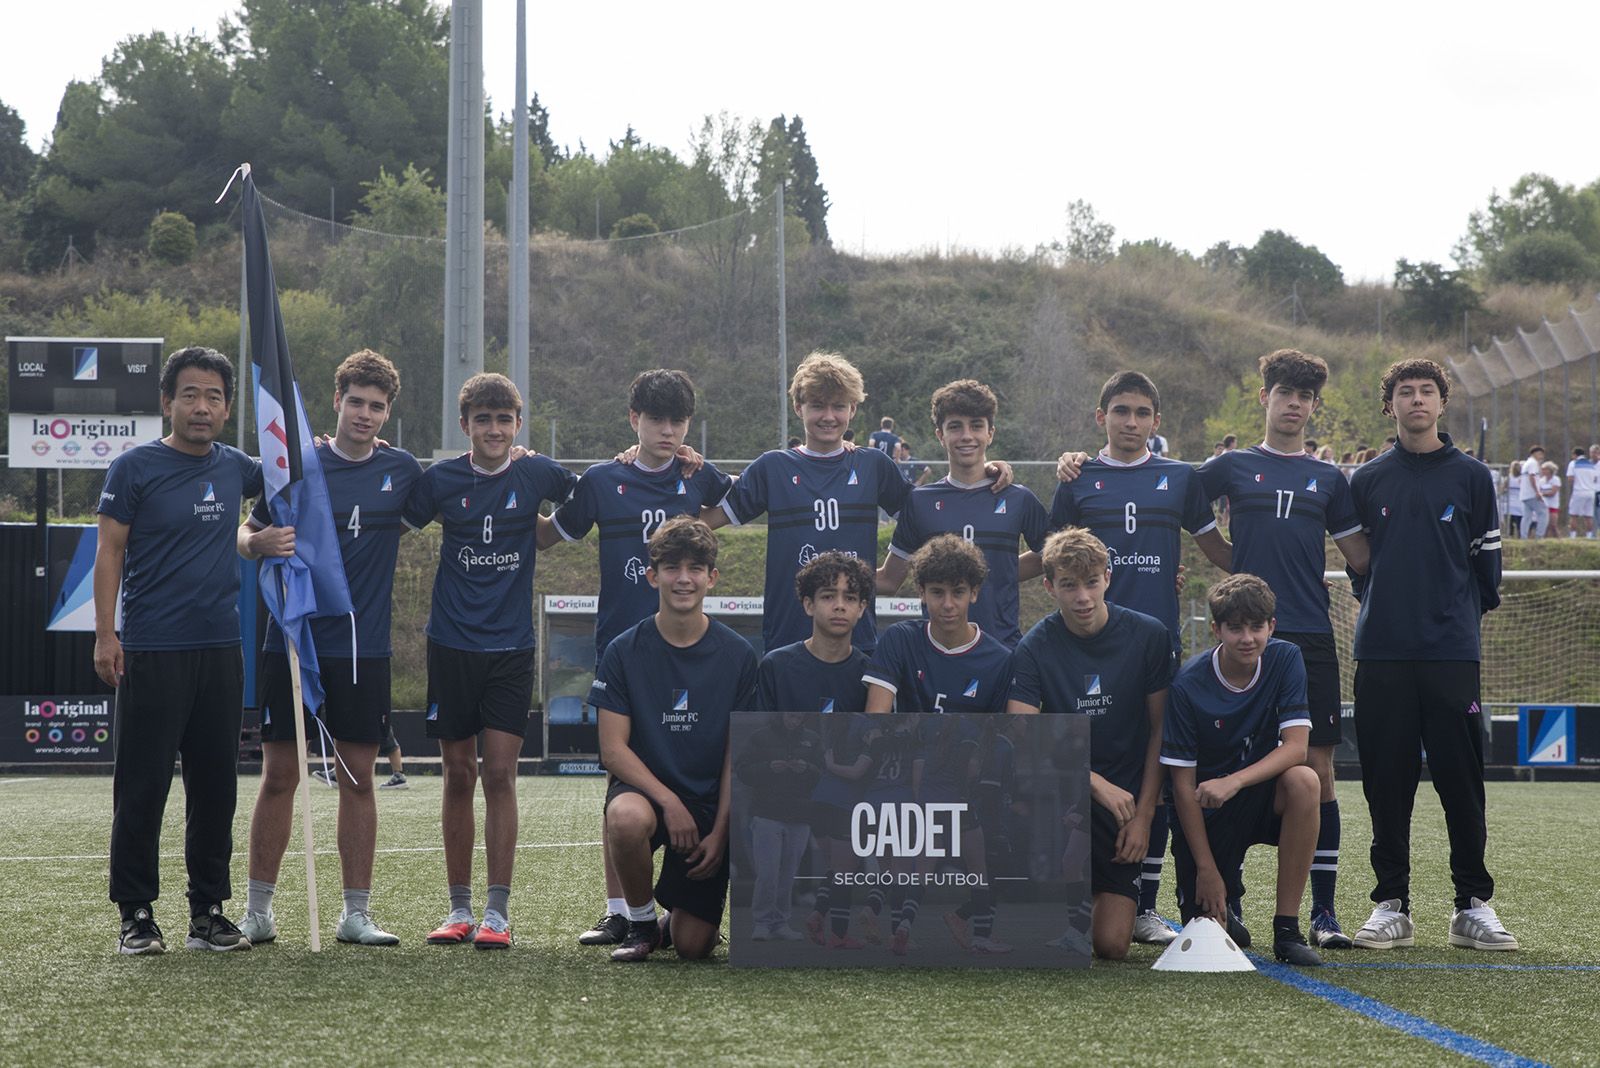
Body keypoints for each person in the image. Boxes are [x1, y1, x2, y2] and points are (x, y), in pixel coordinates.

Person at [537, 369, 733, 948]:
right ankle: (621, 910)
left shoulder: (699, 476)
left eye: (678, 421)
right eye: (655, 419)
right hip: (624, 651)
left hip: (688, 649)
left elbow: (740, 503)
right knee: (618, 779)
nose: (667, 431)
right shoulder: (603, 480)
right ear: (633, 420)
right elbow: (548, 535)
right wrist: (517, 473)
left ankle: (676, 907)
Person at [235, 349, 422, 947]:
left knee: (358, 778)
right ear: (337, 400)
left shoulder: (403, 470)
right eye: (356, 402)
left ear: (388, 413)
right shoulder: (298, 466)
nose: (365, 414)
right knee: (279, 776)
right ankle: (257, 912)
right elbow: (245, 531)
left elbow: (468, 480)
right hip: (292, 640)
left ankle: (355, 914)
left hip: (363, 651)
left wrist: (516, 455)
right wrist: (258, 543)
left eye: (377, 406)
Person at [1196, 349, 1370, 950]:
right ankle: (1232, 898)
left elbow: (1361, 555)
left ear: (1313, 406)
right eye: (1284, 393)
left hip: (1309, 634)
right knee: (1230, 762)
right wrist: (1232, 562)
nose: (1294, 404)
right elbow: (1180, 503)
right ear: (1264, 397)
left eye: (1304, 397)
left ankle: (1322, 913)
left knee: (1317, 770)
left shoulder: (1330, 479)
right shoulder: (1231, 466)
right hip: (1245, 633)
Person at [1052, 370, 1231, 945]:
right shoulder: (1078, 479)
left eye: (1142, 413)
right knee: (1090, 761)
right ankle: (1075, 887)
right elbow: (1054, 559)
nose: (1131, 422)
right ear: (1100, 416)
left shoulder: (1180, 478)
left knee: (1160, 766)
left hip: (1157, 648)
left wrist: (1290, 570)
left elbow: (1217, 550)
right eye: (1120, 411)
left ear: (1157, 421)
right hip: (1087, 647)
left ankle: (1146, 901)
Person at [94, 346, 264, 954]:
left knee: (216, 787)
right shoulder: (133, 468)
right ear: (167, 402)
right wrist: (106, 634)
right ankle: (136, 915)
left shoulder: (238, 467)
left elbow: (295, 469)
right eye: (190, 394)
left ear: (227, 408)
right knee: (141, 788)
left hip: (221, 651)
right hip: (152, 649)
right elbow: (109, 552)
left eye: (214, 396)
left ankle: (208, 912)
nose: (201, 407)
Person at [403, 372, 578, 949]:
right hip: (451, 644)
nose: (495, 430)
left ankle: (497, 914)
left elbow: (590, 494)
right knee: (459, 774)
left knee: (500, 774)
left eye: (504, 420)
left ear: (518, 424)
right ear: (465, 425)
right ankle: (458, 909)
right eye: (483, 419)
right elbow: (393, 517)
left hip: (510, 648)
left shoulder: (537, 473)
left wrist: (546, 533)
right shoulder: (442, 479)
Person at [1347, 359, 1514, 952]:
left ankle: (1472, 905)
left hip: (1450, 654)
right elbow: (1361, 572)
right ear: (1389, 405)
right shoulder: (1366, 480)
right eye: (1405, 391)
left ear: (1442, 403)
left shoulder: (1472, 477)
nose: (1416, 399)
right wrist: (1394, 612)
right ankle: (1391, 904)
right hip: (1382, 653)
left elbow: (1487, 572)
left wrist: (1449, 618)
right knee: (1385, 784)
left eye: (1426, 391)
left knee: (1461, 782)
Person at [593, 516, 758, 961]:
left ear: (712, 577)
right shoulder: (623, 650)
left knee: (692, 947)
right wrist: (668, 801)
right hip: (647, 794)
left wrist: (721, 831)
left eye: (695, 568)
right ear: (653, 576)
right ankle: (642, 924)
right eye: (671, 567)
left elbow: (738, 754)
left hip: (707, 805)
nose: (683, 578)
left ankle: (672, 925)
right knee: (625, 817)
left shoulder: (738, 655)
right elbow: (612, 750)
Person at [1007, 528, 1173, 960]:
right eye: (1069, 585)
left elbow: (1161, 731)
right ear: (1049, 587)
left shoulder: (1148, 635)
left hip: (1127, 806)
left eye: (1091, 582)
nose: (1082, 597)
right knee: (1038, 940)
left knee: (1111, 946)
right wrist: (1094, 782)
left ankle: (1103, 895)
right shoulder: (1034, 647)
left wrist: (1144, 817)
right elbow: (1022, 734)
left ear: (1108, 578)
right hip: (1065, 796)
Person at [704, 353, 918, 654]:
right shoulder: (773, 468)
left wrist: (892, 572)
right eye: (817, 405)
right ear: (798, 407)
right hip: (786, 644)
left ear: (852, 409)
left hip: (857, 646)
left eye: (838, 406)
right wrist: (657, 462)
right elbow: (705, 522)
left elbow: (922, 515)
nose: (828, 416)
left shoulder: (873, 465)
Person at [1161, 574, 1323, 966]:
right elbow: (1182, 787)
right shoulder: (1187, 685)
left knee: (1305, 781)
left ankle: (1287, 929)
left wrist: (1234, 781)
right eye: (1235, 628)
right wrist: (1206, 870)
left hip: (1253, 794)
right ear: (1216, 630)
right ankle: (1225, 898)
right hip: (1206, 810)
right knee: (1210, 934)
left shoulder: (1286, 658)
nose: (1247, 638)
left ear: (1272, 626)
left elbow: (1297, 748)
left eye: (1256, 626)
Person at [878, 379, 1050, 648]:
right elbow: (889, 580)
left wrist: (997, 571)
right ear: (940, 435)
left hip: (1003, 649)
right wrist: (821, 574)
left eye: (976, 426)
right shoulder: (920, 501)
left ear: (990, 433)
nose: (966, 435)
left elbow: (1050, 558)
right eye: (955, 426)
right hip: (936, 655)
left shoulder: (1019, 499)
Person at [863, 536, 1013, 717]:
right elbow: (875, 720)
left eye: (958, 592)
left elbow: (999, 732)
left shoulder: (1000, 661)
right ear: (922, 593)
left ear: (974, 593)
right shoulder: (899, 639)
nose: (948, 604)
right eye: (937, 592)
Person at [735, 712, 821, 942]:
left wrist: (807, 769)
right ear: (782, 715)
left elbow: (823, 774)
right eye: (791, 716)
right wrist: (768, 768)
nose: (794, 721)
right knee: (768, 872)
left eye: (798, 717)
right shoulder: (760, 737)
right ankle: (762, 922)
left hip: (800, 815)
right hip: (766, 813)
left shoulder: (813, 739)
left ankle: (781, 922)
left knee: (788, 874)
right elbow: (741, 770)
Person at [1566, 447, 1596, 538]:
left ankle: (1573, 536)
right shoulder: (1591, 464)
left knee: (1574, 515)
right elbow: (1594, 479)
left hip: (1579, 491)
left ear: (1575, 454)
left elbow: (1570, 478)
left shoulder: (1573, 463)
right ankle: (1589, 536)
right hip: (1591, 492)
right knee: (1588, 516)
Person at [1518, 445, 1546, 537]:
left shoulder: (1527, 463)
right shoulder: (1533, 463)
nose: (1541, 456)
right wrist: (1537, 492)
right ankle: (1539, 535)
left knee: (1527, 517)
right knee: (1543, 513)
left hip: (1524, 494)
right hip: (1532, 494)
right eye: (1540, 454)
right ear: (1534, 453)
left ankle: (1523, 536)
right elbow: (1532, 477)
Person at [1505, 461, 1524, 538]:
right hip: (1513, 501)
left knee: (1515, 519)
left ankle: (1514, 534)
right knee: (1514, 519)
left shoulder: (1521, 478)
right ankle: (1513, 534)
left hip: (1517, 500)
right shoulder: (1509, 477)